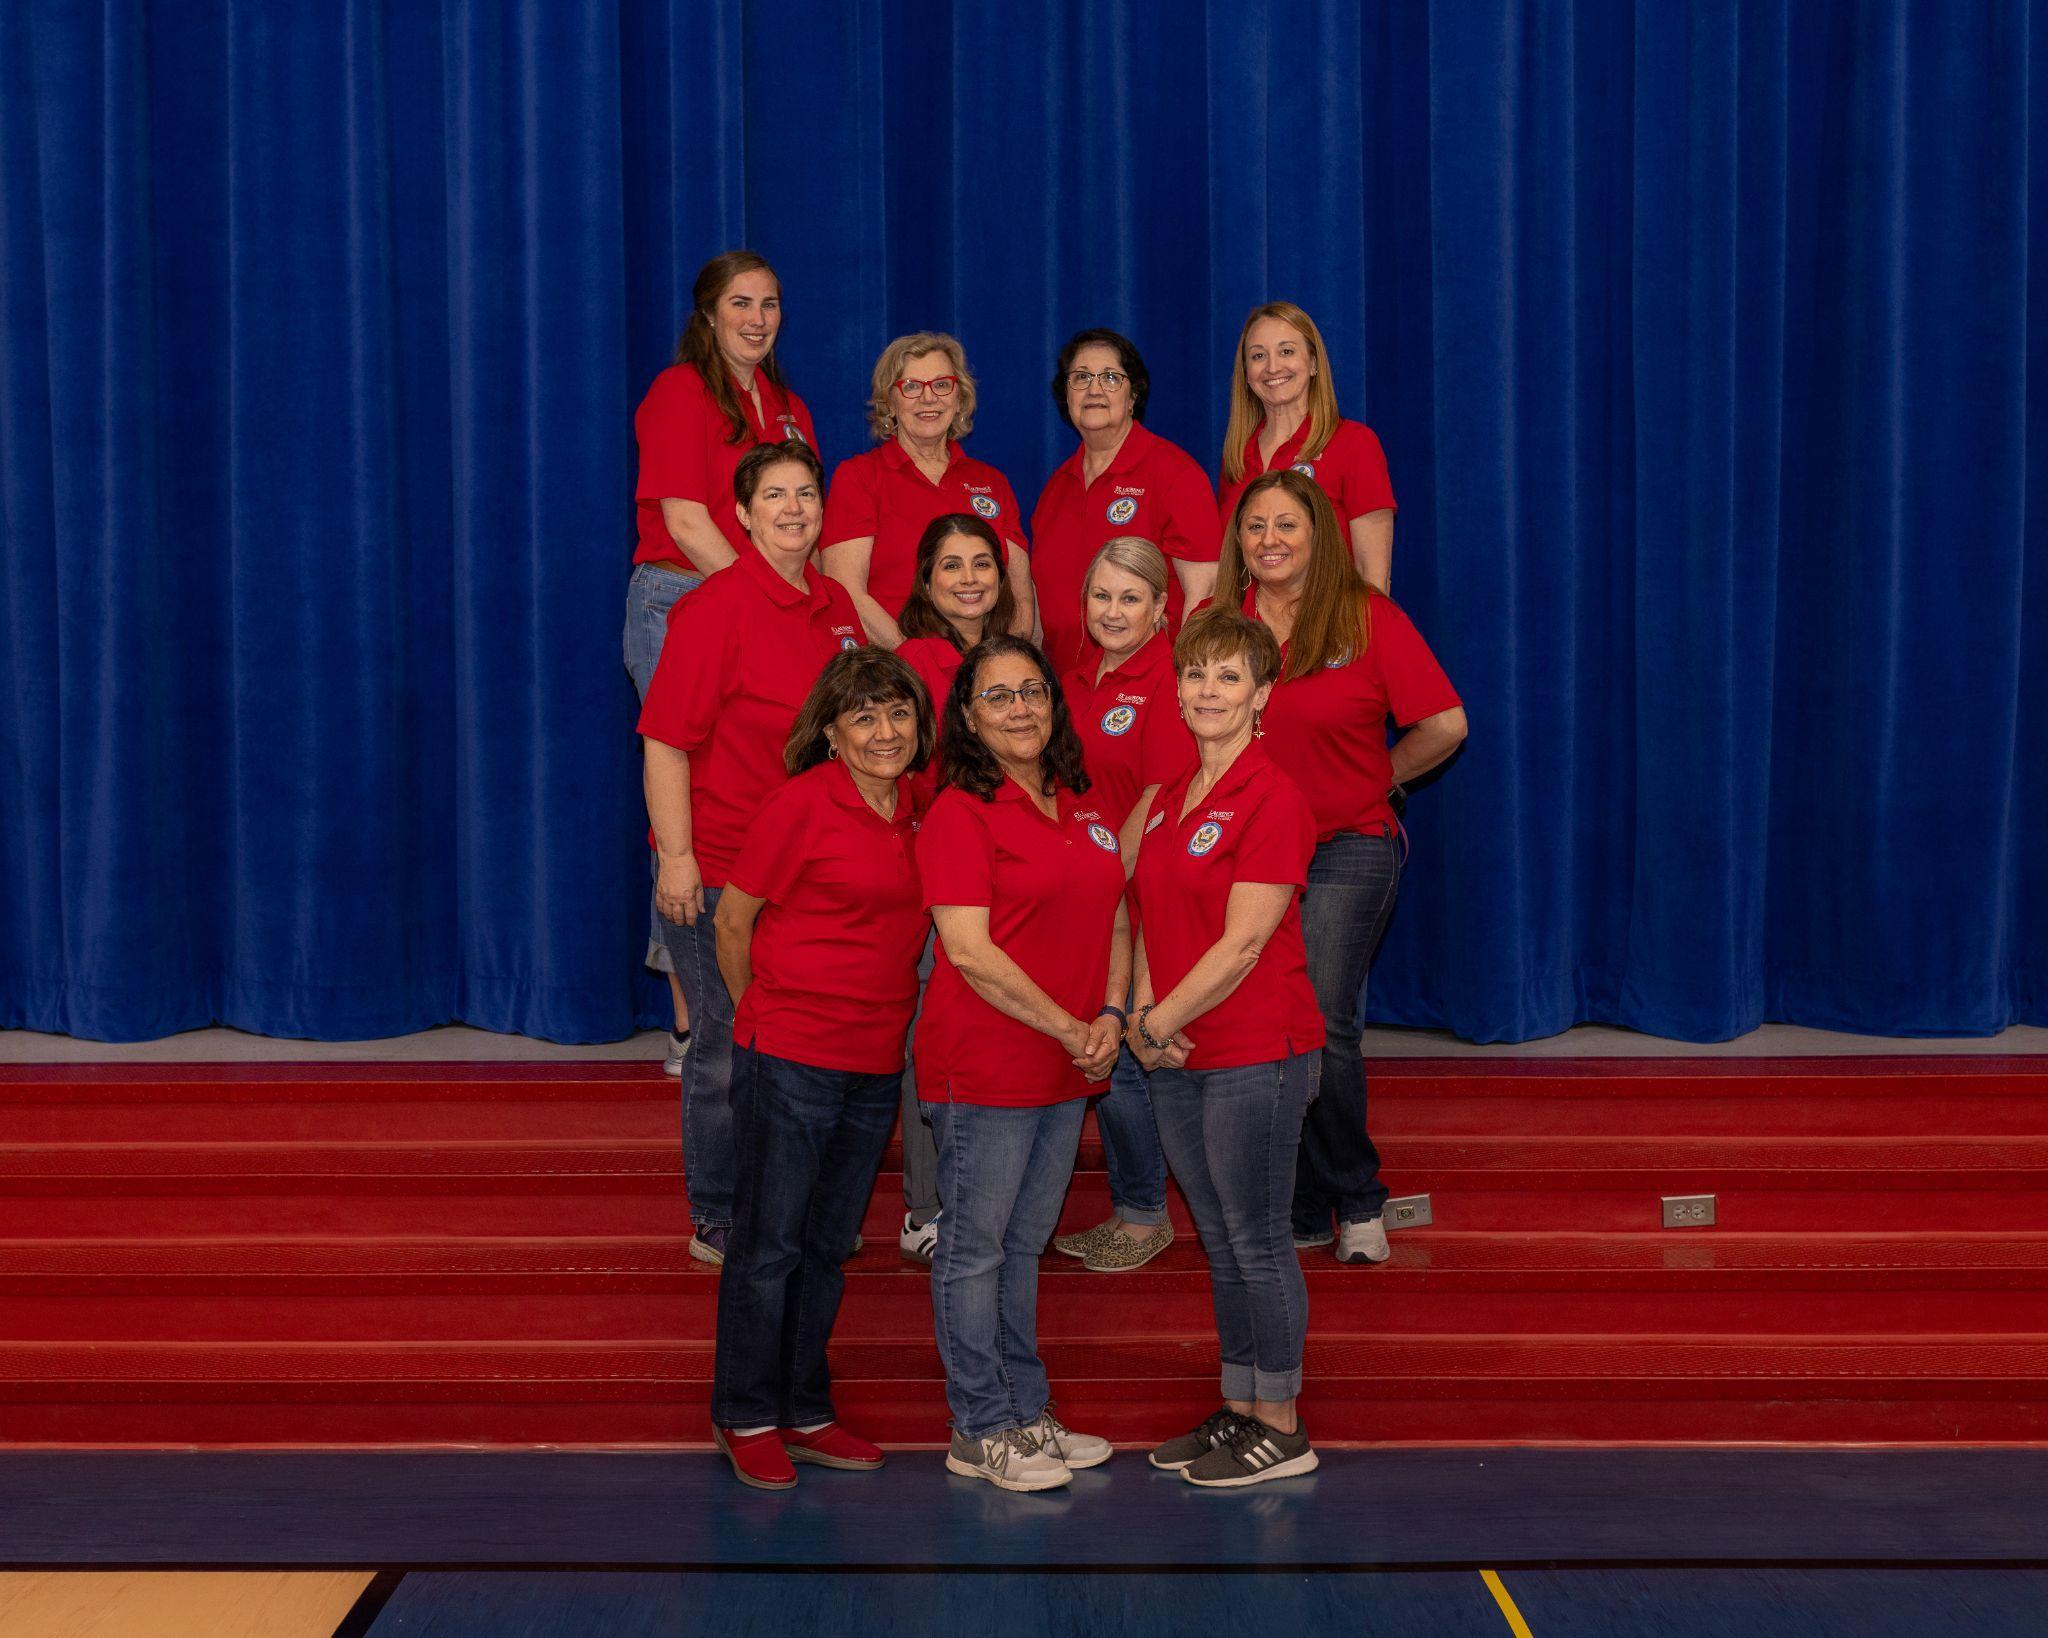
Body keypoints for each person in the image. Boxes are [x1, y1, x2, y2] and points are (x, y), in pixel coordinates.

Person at [1221, 470, 1466, 1266]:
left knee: (1323, 1019)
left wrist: (1379, 778)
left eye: (1286, 524)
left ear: (1318, 535)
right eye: (1255, 526)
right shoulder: (1219, 625)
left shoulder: (1367, 617)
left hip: (1348, 844)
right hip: (1246, 856)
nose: (1269, 540)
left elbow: (1446, 724)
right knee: (1266, 1025)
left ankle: (1357, 1198)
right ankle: (1299, 1203)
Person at [707, 648, 936, 1490]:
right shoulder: (799, 805)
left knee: (827, 1246)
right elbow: (732, 923)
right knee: (769, 1246)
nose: (886, 731)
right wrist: (760, 1019)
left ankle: (805, 1410)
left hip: (874, 1063)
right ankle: (745, 1413)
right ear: (832, 734)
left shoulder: (922, 805)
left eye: (899, 712)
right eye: (864, 717)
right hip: (791, 1055)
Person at [638, 440, 863, 1268]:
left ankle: (793, 1207)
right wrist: (677, 858)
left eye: (806, 493)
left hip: (816, 874)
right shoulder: (715, 609)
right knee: (728, 1044)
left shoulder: (836, 606)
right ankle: (721, 1213)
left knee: (807, 1046)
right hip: (724, 870)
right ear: (741, 513)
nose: (794, 509)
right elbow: (665, 742)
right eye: (774, 495)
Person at [917, 636, 1127, 1490]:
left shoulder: (1080, 797)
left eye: (1032, 691)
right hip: (988, 1065)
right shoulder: (959, 812)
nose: (1020, 708)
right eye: (998, 696)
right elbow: (968, 952)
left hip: (1066, 1063)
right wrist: (1071, 1026)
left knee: (1022, 1245)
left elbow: (1117, 911)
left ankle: (1025, 1412)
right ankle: (979, 1427)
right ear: (968, 717)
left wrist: (1110, 1013)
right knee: (975, 1249)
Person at [1129, 603, 1326, 1486]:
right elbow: (1146, 915)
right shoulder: (1169, 797)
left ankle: (1281, 1424)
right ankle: (1241, 1405)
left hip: (1256, 1049)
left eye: (1228, 676)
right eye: (1195, 673)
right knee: (1218, 1235)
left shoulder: (1274, 796)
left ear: (1262, 694)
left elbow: (1244, 944)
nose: (1208, 690)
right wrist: (1147, 1017)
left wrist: (1155, 1024)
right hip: (1177, 1051)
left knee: (1256, 1236)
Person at [626, 251, 817, 1076]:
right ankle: (692, 1022)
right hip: (684, 597)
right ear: (707, 314)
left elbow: (800, 521)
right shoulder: (680, 392)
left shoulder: (789, 407)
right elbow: (686, 519)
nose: (757, 318)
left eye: (769, 303)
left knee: (759, 788)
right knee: (686, 798)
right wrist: (764, 595)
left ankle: (751, 1001)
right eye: (741, 302)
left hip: (764, 605)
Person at [1050, 538, 1192, 1273]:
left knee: (1125, 1053)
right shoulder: (1074, 677)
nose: (1112, 612)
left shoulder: (1167, 677)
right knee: (1098, 1045)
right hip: (1079, 891)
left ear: (1162, 607)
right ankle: (1132, 1205)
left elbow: (1157, 794)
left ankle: (1143, 1214)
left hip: (1128, 894)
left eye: (1130, 598)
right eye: (1101, 596)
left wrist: (1105, 882)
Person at [887, 514, 1020, 1266]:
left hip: (1013, 878)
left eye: (982, 564)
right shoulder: (914, 661)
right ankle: (926, 1206)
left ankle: (988, 1194)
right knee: (931, 1041)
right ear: (927, 582)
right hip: (944, 882)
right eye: (951, 566)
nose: (969, 579)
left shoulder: (1012, 658)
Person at [822, 333, 1035, 648]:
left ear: (959, 397)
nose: (928, 398)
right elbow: (846, 593)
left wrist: (996, 666)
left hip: (986, 669)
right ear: (889, 402)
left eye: (941, 384)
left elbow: (1021, 598)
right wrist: (920, 665)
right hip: (896, 667)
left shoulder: (993, 482)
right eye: (911, 387)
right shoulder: (860, 477)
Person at [1029, 329, 1219, 676]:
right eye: (1081, 377)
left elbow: (1203, 596)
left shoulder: (1175, 475)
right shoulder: (1054, 491)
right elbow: (1044, 610)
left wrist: (1185, 679)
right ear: (1066, 394)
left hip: (1153, 685)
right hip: (1067, 690)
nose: (1094, 389)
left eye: (1111, 377)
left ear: (1133, 396)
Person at [1216, 302, 1397, 592]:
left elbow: (1373, 573)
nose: (1273, 367)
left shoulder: (1354, 443)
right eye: (1258, 356)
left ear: (1313, 363)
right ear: (1246, 372)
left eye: (1286, 351)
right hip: (1250, 620)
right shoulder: (1237, 455)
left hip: (1331, 618)